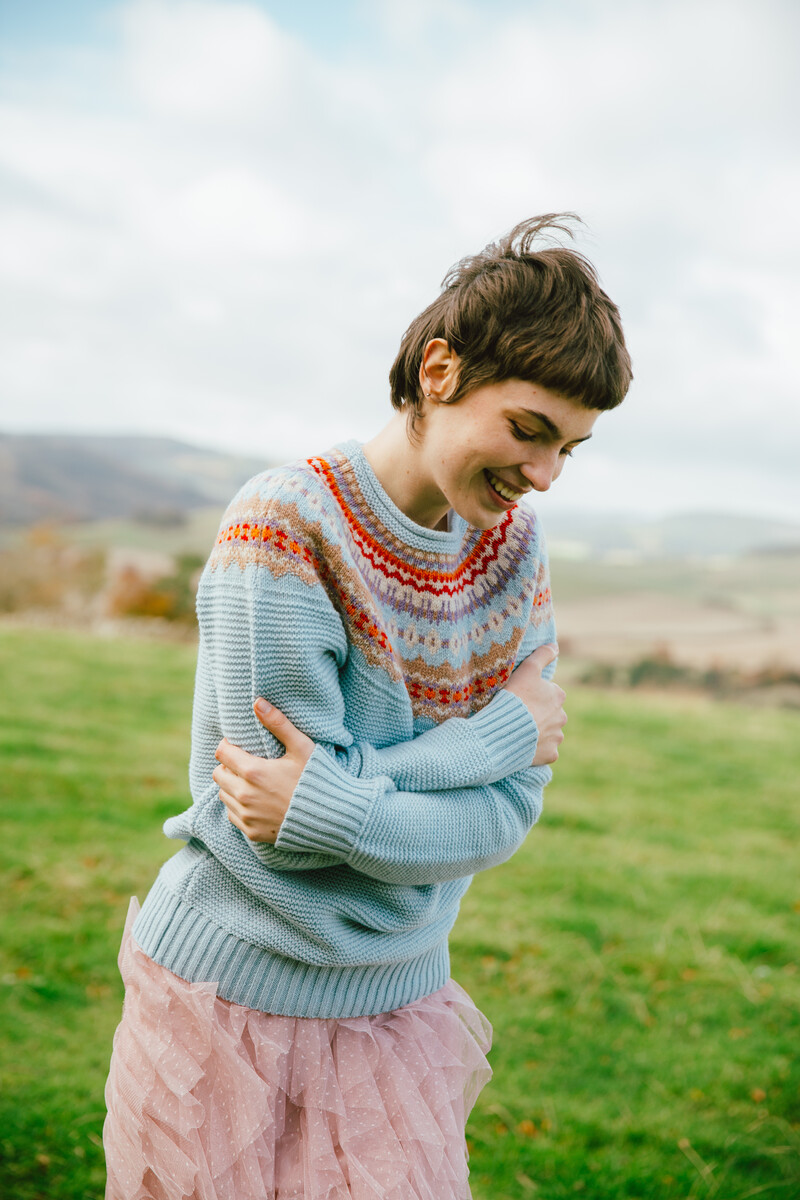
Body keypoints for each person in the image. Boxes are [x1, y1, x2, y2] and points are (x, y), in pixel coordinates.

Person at [103, 213, 632, 1200]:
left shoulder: (512, 553)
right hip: (226, 1002)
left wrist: (339, 794)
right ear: (439, 371)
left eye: (570, 448)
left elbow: (501, 815)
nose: (544, 474)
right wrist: (492, 736)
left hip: (399, 1009)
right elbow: (274, 826)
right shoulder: (286, 524)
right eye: (527, 430)